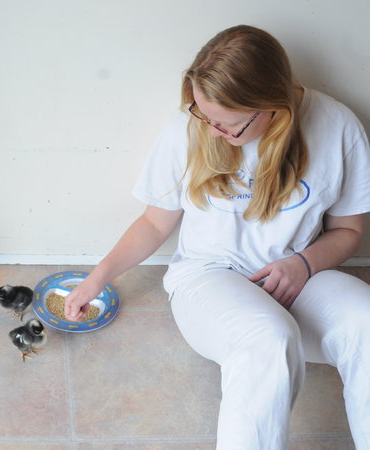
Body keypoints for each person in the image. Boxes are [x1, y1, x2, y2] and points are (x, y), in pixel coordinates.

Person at [64, 25, 370, 449]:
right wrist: (97, 278)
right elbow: (154, 223)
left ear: (272, 107)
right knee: (267, 337)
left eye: (228, 124)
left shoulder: (338, 127)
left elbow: (349, 231)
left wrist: (303, 264)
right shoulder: (186, 130)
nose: (211, 131)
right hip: (210, 278)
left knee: (366, 321)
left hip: (299, 276)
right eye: (203, 116)